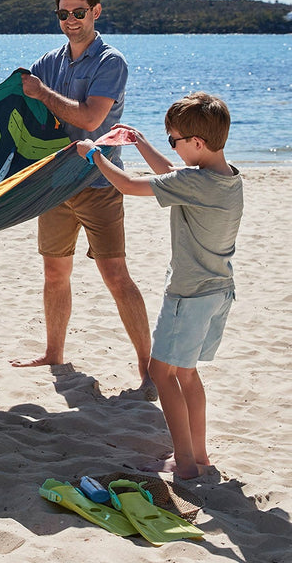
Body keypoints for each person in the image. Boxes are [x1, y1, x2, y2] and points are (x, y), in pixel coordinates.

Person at [0, 0, 153, 393]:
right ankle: (55, 353)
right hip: (53, 184)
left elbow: (89, 118)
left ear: (96, 12)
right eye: (63, 13)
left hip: (99, 182)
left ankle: (147, 368)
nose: (71, 20)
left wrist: (42, 94)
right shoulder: (50, 61)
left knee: (115, 276)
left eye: (79, 12)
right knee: (54, 273)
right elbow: (9, 97)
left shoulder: (111, 61)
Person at [77, 92, 243, 479]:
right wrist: (140, 142)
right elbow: (173, 173)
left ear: (196, 143)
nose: (172, 147)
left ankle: (184, 464)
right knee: (186, 373)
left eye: (174, 140)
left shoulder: (193, 182)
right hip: (218, 291)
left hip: (189, 294)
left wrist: (93, 155)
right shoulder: (227, 177)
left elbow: (128, 185)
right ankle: (199, 457)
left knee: (161, 372)